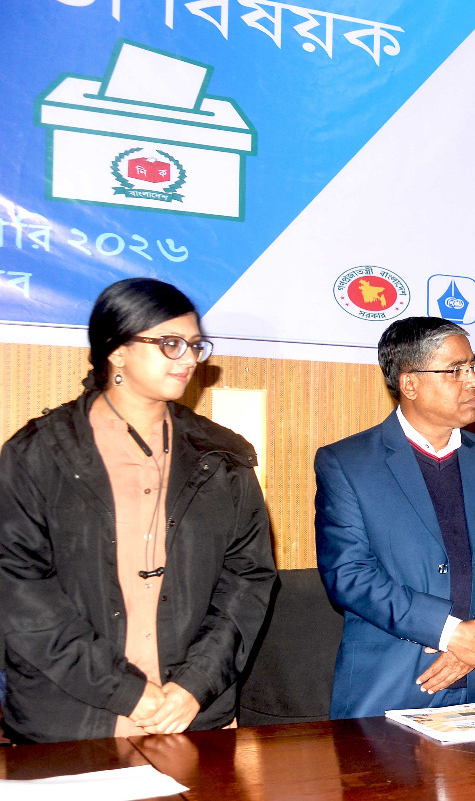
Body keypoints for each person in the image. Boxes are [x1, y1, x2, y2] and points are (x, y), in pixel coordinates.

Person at [0, 278, 276, 743]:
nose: (188, 359)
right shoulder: (38, 453)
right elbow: (17, 586)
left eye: (194, 345)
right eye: (170, 344)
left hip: (189, 717)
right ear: (117, 350)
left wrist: (194, 686)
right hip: (69, 720)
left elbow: (247, 580)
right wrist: (126, 692)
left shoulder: (223, 456)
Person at [315, 316, 475, 719]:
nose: (474, 381)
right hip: (389, 689)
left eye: (474, 367)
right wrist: (450, 634)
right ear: (410, 384)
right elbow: (349, 575)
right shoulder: (348, 463)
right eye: (456, 370)